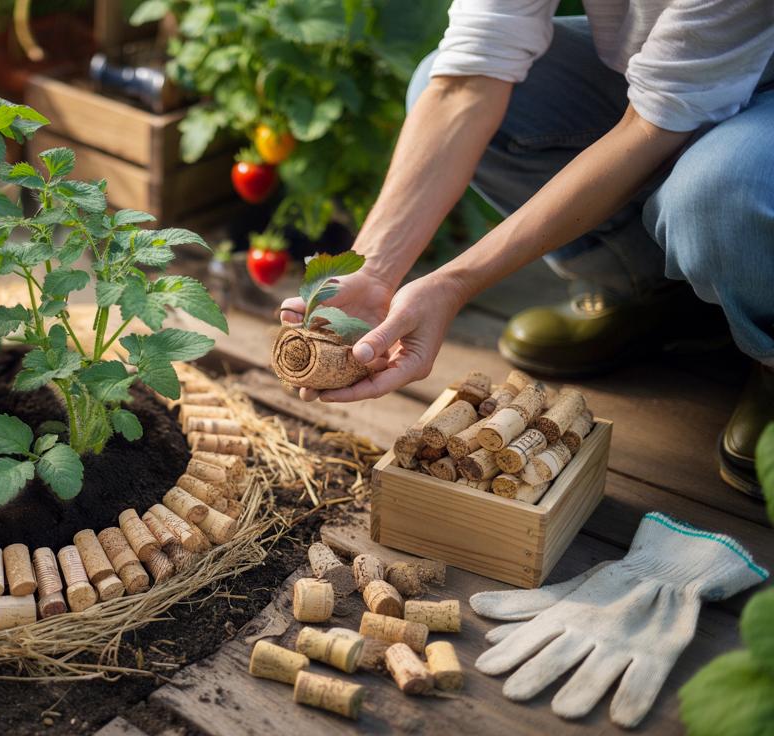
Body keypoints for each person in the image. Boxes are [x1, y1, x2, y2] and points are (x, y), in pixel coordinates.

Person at [282, 0, 774, 496]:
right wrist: (374, 271)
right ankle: (655, 293)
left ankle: (768, 350)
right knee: (439, 77)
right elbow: (468, 78)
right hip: (669, 78)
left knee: (719, 193)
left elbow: (652, 128)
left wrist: (455, 283)